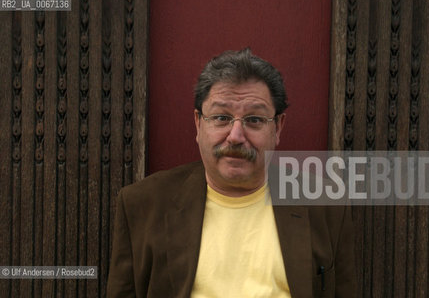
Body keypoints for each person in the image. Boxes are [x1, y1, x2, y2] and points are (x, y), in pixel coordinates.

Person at [107, 48, 356, 297]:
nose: (236, 136)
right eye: (221, 117)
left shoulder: (327, 206)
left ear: (278, 127)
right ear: (198, 123)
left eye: (255, 120)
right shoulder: (142, 205)